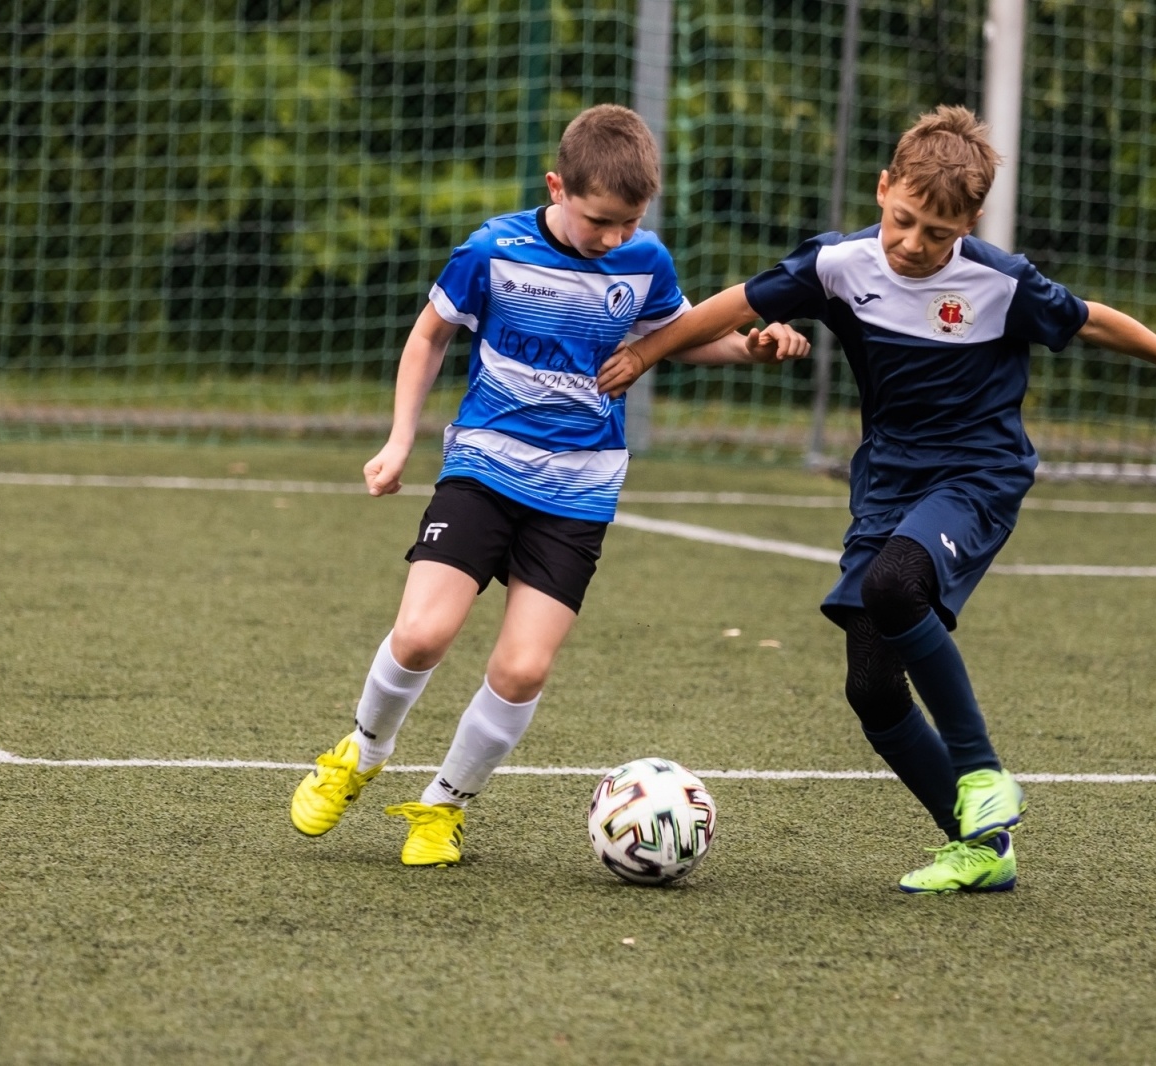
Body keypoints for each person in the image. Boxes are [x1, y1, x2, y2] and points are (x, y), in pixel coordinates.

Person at [598, 105, 1156, 893]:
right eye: (903, 221)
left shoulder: (1000, 283)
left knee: (894, 584)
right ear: (883, 190)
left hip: (977, 474)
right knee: (870, 685)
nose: (913, 244)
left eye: (937, 233)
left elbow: (1093, 323)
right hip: (888, 482)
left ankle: (981, 775)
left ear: (968, 224)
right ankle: (981, 848)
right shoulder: (838, 265)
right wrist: (643, 354)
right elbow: (733, 307)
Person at [289, 104, 807, 866]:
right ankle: (362, 753)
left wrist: (756, 349)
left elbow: (687, 335)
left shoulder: (645, 259)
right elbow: (429, 335)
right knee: (424, 633)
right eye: (600, 221)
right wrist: (399, 439)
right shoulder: (493, 249)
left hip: (581, 488)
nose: (614, 239)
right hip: (484, 467)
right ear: (557, 186)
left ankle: (442, 807)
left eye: (630, 223)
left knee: (524, 667)